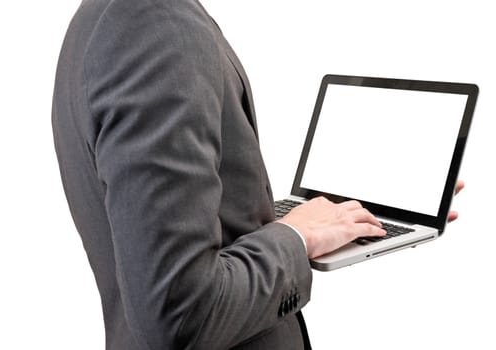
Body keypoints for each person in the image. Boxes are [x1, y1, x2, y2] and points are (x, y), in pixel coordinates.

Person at [52, 1, 463, 349]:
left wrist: (308, 221)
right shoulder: (156, 27)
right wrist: (296, 238)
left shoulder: (106, 16)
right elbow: (180, 316)